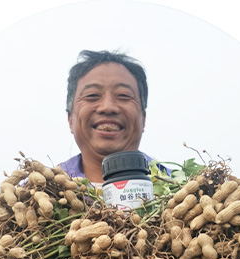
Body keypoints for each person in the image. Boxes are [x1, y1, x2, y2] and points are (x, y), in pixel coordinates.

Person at [59, 50, 169, 186]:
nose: (108, 107)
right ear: (70, 119)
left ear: (143, 118)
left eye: (123, 95)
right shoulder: (43, 189)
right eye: (92, 95)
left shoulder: (181, 188)